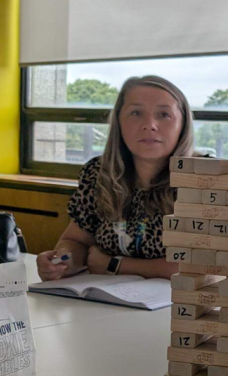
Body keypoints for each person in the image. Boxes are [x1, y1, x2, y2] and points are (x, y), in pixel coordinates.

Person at [38, 76, 194, 281]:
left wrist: (114, 265)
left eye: (164, 114)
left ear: (183, 124)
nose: (150, 125)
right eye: (136, 113)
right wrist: (62, 261)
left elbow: (202, 265)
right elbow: (76, 242)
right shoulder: (97, 172)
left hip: (179, 306)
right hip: (107, 301)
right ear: (119, 121)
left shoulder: (204, 179)